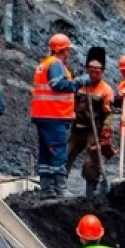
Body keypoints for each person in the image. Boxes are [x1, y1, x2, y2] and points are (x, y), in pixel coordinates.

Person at [31, 34, 92, 198]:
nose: (68, 54)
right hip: (54, 115)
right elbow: (58, 85)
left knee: (45, 152)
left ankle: (46, 189)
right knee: (58, 151)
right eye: (66, 50)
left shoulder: (44, 64)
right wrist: (79, 82)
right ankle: (60, 189)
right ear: (61, 50)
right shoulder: (56, 65)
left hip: (42, 115)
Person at [67, 53, 115, 197]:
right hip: (77, 127)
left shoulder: (106, 90)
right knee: (66, 154)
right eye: (91, 71)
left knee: (91, 161)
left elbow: (109, 114)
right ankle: (59, 185)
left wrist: (106, 133)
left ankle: (91, 190)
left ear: (102, 72)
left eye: (97, 72)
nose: (93, 74)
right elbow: (70, 101)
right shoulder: (79, 84)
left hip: (93, 131)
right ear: (87, 70)